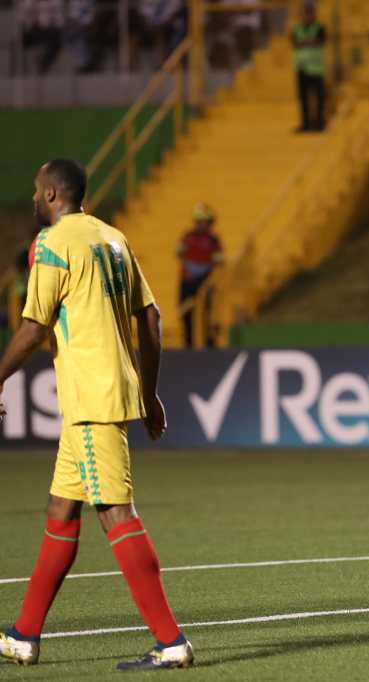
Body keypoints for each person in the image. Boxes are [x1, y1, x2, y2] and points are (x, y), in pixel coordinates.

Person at [0, 159, 192, 670]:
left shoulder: (54, 244)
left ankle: (171, 642)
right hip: (109, 394)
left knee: (115, 513)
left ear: (50, 194)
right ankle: (24, 634)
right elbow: (151, 319)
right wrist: (148, 395)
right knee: (62, 511)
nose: (35, 200)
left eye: (38, 192)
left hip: (90, 399)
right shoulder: (113, 239)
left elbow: (33, 328)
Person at [177, 202, 223, 348]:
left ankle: (209, 343)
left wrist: (205, 270)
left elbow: (218, 259)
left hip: (205, 282)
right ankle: (188, 343)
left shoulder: (213, 240)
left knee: (207, 313)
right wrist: (190, 269)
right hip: (188, 280)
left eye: (206, 222)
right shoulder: (187, 236)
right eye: (200, 221)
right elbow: (179, 253)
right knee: (186, 313)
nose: (203, 225)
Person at [292, 1, 327, 132]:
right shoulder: (297, 28)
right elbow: (295, 43)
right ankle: (305, 124)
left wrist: (305, 42)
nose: (308, 16)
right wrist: (309, 42)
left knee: (319, 98)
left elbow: (319, 42)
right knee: (303, 98)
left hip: (316, 69)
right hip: (301, 68)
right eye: (306, 13)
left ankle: (320, 124)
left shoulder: (320, 28)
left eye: (310, 13)